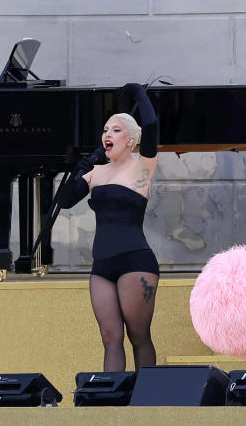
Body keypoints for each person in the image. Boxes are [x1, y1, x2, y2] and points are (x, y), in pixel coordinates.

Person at [60, 83, 159, 372]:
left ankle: (145, 402)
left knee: (138, 336)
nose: (107, 134)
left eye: (115, 129)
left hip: (135, 261)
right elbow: (64, 201)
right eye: (105, 130)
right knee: (109, 337)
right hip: (102, 265)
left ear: (130, 139)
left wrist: (139, 92)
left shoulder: (143, 166)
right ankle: (112, 405)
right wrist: (81, 167)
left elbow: (151, 123)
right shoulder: (96, 173)